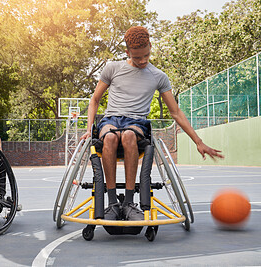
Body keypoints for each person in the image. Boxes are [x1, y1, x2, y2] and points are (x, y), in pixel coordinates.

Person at [81, 26, 224, 221]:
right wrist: (90, 129)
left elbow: (176, 112)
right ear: (127, 52)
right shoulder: (112, 68)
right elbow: (95, 100)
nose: (143, 60)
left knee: (129, 135)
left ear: (150, 46)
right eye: (138, 57)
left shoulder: (158, 76)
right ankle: (113, 203)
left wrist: (198, 141)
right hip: (111, 119)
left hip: (137, 122)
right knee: (110, 137)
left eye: (146, 55)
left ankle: (130, 202)